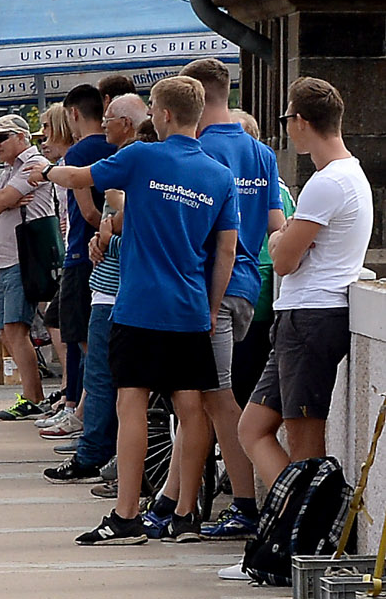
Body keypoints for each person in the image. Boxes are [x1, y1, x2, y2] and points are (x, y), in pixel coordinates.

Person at [38, 76, 238, 546]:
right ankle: (187, 513)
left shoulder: (142, 156)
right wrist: (210, 309)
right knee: (191, 411)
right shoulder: (219, 175)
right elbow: (225, 251)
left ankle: (127, 514)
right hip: (190, 307)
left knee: (131, 406)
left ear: (164, 115)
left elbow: (78, 177)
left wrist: (44, 171)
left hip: (140, 305)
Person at [228, 77, 373, 551]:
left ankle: (307, 544)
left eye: (287, 119)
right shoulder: (349, 175)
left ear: (302, 122)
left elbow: (284, 258)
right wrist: (285, 236)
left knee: (305, 441)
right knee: (252, 427)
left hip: (311, 316)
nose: (286, 128)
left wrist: (279, 238)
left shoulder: (325, 183)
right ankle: (292, 528)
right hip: (304, 315)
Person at [181, 58, 287, 534]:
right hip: (248, 285)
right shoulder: (262, 153)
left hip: (208, 287)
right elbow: (274, 227)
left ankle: (245, 505)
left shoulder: (196, 150)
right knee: (203, 398)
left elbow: (195, 228)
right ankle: (175, 501)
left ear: (196, 97)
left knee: (217, 397)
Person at [44, 93, 149, 486]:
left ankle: (96, 453)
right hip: (125, 284)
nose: (105, 127)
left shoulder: (131, 161)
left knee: (106, 375)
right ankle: (105, 453)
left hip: (115, 287)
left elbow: (97, 201)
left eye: (110, 119)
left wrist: (106, 229)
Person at [0, 113, 56, 420]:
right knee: (8, 331)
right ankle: (34, 395)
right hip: (7, 257)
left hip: (24, 257)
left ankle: (34, 397)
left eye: (1, 138)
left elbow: (4, 199)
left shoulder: (32, 164)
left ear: (22, 137)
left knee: (15, 328)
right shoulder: (10, 169)